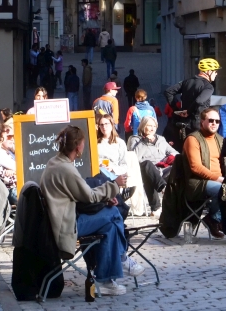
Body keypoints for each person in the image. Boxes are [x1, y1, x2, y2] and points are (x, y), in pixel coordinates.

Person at [41, 125, 136, 296]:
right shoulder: (66, 169)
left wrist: (105, 199)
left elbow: (81, 195)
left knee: (109, 227)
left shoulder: (54, 162)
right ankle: (122, 258)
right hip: (65, 228)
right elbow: (89, 196)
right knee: (114, 214)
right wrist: (114, 185)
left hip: (59, 222)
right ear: (78, 146)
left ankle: (106, 280)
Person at [182, 108, 225, 239]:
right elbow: (195, 167)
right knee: (222, 189)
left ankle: (219, 220)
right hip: (197, 182)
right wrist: (218, 178)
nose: (214, 123)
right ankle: (214, 220)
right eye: (211, 120)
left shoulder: (220, 139)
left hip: (219, 180)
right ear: (202, 122)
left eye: (217, 121)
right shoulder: (193, 139)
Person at [128, 116, 177, 215]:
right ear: (143, 126)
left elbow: (175, 153)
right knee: (147, 165)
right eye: (149, 126)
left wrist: (168, 158)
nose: (152, 128)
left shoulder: (161, 139)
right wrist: (144, 142)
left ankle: (172, 205)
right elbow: (133, 158)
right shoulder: (134, 139)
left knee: (179, 165)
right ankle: (162, 191)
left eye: (154, 126)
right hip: (144, 170)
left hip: (162, 169)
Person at [163, 58, 217, 135]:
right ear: (209, 71)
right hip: (199, 124)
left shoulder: (187, 81)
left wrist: (177, 109)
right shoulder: (208, 86)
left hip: (184, 123)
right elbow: (199, 101)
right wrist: (188, 111)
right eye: (215, 71)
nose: (216, 74)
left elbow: (168, 91)